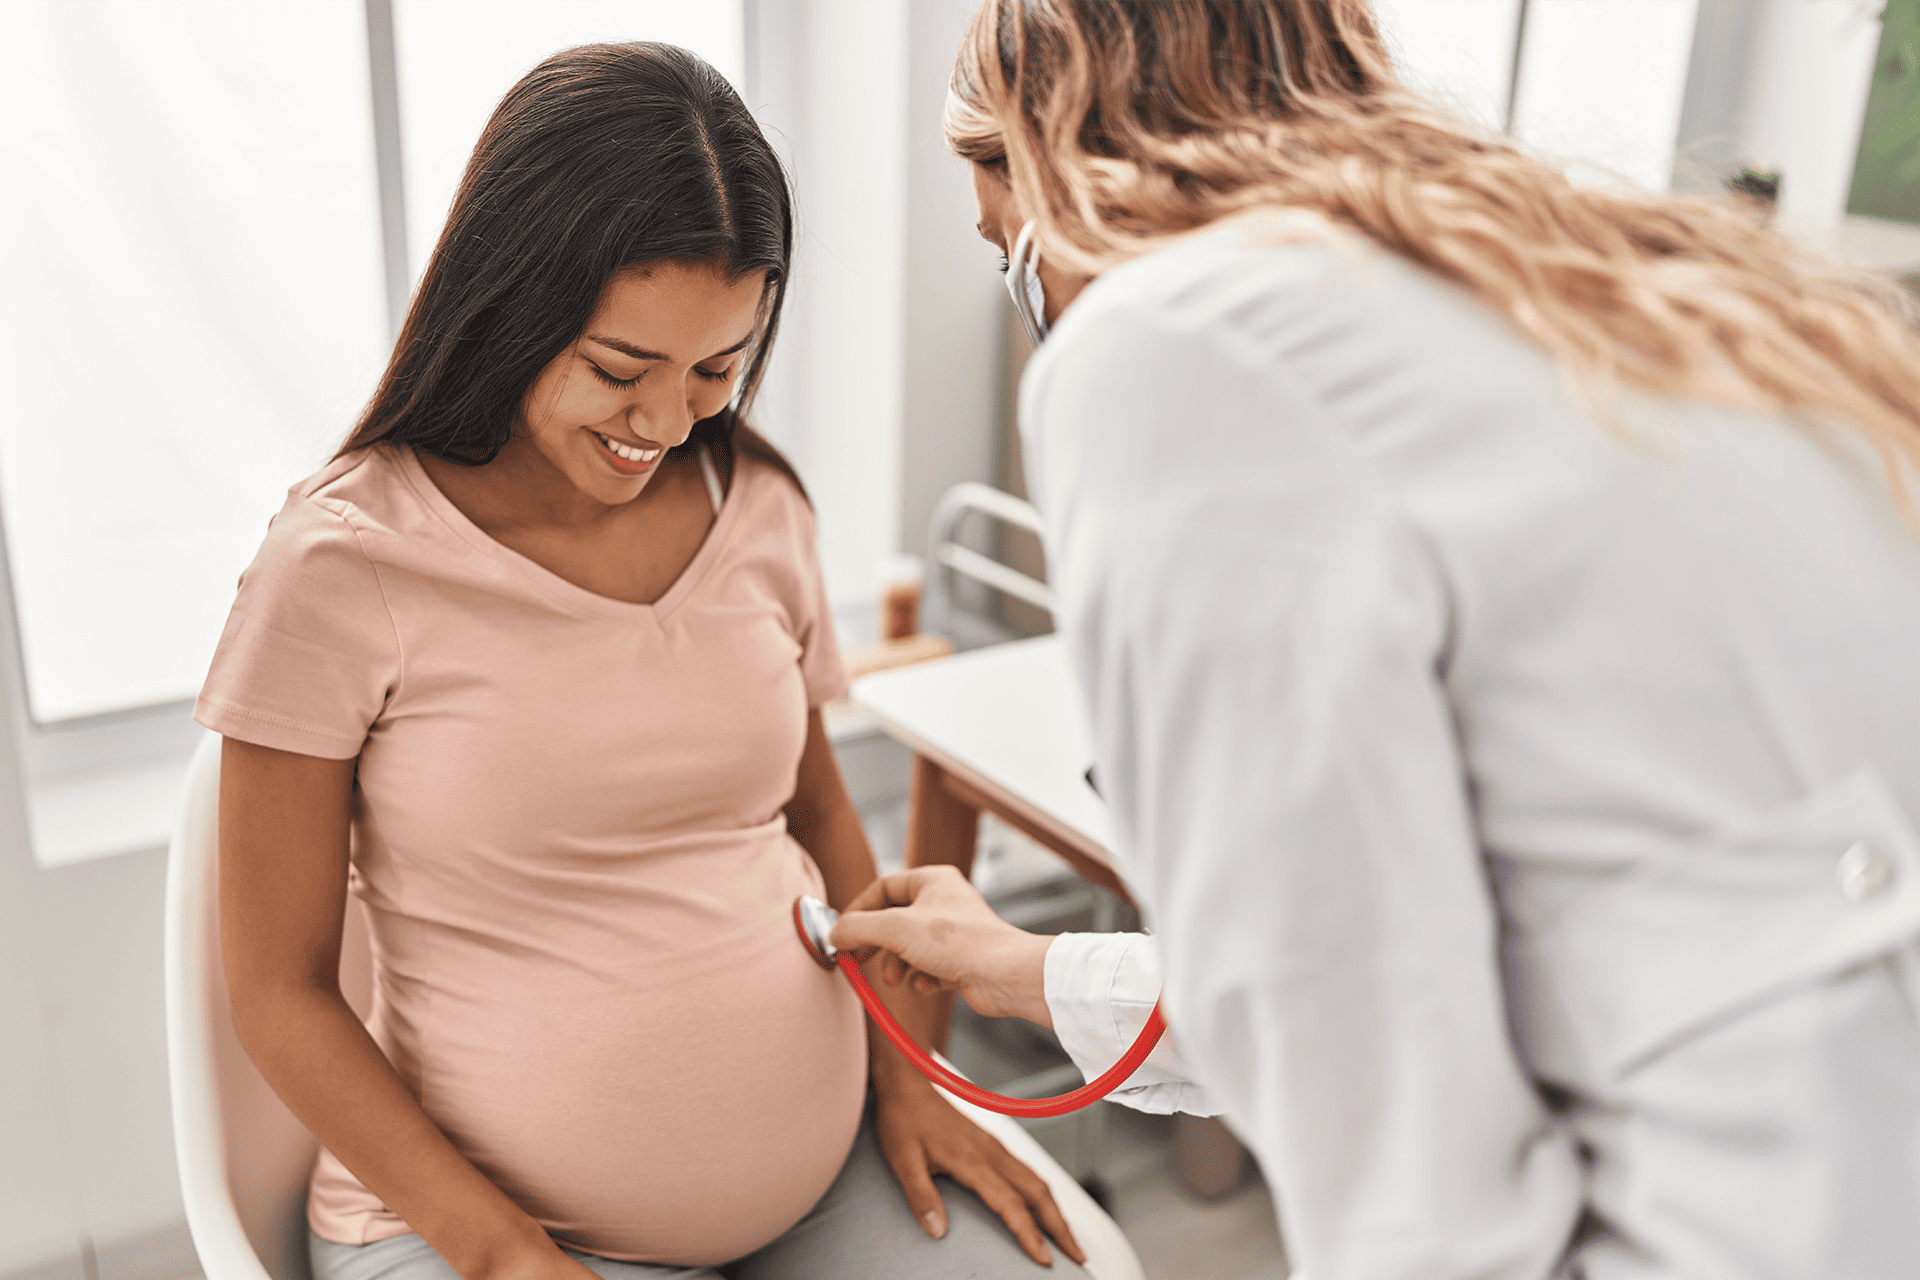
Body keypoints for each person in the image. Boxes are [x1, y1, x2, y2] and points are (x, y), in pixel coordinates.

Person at [840, 2, 1920, 1276]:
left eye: (1008, 250)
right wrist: (1025, 967)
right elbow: (1382, 976)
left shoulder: (1171, 345)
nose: (1038, 301)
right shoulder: (1626, 288)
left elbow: (1413, 1194)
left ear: (1055, 163)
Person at [200, 43, 1086, 1280]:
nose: (665, 426)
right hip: (484, 1230)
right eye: (621, 370)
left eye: (717, 370)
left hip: (830, 1179)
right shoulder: (341, 570)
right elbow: (278, 992)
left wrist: (910, 1074)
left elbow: (817, 805)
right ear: (511, 299)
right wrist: (505, 1252)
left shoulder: (760, 506)